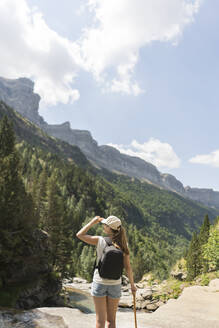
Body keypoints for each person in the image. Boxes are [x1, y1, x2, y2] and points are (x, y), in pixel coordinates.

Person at [76, 215, 137, 328]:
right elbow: (128, 267)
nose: (103, 226)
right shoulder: (123, 245)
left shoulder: (100, 240)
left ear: (109, 228)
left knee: (100, 321)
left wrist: (92, 222)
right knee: (111, 321)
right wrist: (132, 286)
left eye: (105, 224)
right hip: (115, 284)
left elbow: (79, 235)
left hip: (99, 282)